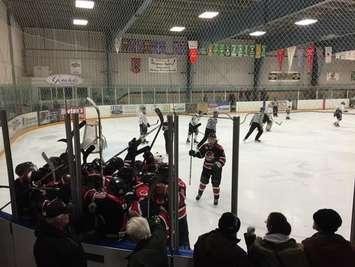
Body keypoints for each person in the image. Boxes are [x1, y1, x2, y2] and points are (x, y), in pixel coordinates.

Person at [33, 199, 87, 267]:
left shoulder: (64, 229)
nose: (68, 214)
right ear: (58, 218)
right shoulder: (45, 244)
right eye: (65, 212)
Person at [244, 212, 309, 267]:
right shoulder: (298, 251)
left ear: (269, 227)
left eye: (267, 223)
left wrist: (250, 238)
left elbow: (251, 261)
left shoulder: (258, 249)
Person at [189, 132, 226, 205]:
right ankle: (199, 194)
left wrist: (218, 164)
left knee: (215, 184)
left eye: (212, 139)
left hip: (216, 170)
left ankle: (216, 198)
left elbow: (223, 158)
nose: (210, 140)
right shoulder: (205, 146)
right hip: (206, 168)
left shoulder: (219, 148)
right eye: (209, 139)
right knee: (203, 181)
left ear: (215, 139)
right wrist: (194, 154)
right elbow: (201, 154)